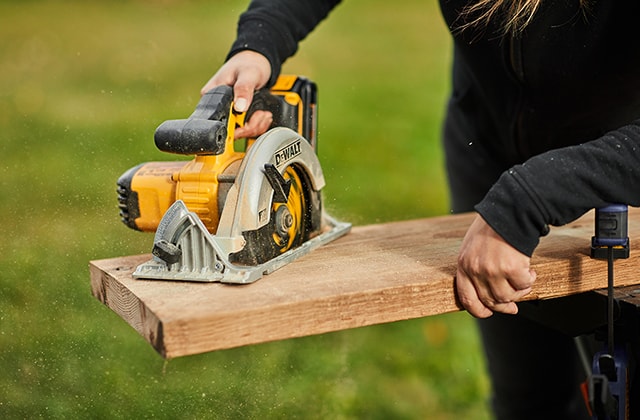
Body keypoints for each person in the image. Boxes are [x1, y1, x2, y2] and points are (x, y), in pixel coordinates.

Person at [201, 1, 640, 418]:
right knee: (530, 401)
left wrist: (526, 197)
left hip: (617, 173)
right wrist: (260, 41)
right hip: (490, 159)